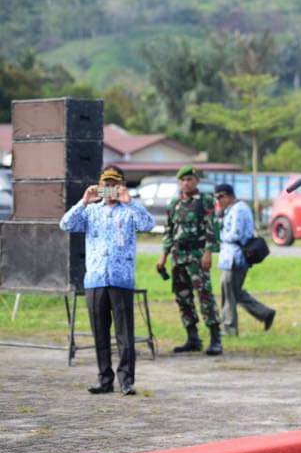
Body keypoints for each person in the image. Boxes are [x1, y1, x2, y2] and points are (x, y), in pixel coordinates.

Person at [59, 166, 154, 396]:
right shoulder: (91, 211)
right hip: (96, 279)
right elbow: (65, 224)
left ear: (121, 185)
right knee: (99, 333)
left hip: (121, 280)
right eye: (106, 184)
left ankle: (126, 380)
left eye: (114, 184)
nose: (110, 189)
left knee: (124, 334)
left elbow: (148, 225)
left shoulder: (129, 211)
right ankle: (104, 379)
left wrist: (130, 201)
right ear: (100, 186)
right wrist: (83, 201)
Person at [156, 166, 222, 356]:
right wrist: (163, 256)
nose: (186, 183)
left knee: (204, 296)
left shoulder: (205, 201)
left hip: (197, 255)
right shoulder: (174, 203)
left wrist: (208, 252)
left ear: (197, 181)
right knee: (182, 296)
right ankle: (192, 338)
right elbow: (169, 231)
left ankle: (215, 339)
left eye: (190, 179)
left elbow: (212, 227)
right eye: (183, 180)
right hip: (178, 256)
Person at [215, 184, 275, 336]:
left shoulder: (239, 210)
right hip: (229, 257)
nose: (218, 201)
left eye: (219, 197)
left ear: (227, 195)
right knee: (235, 293)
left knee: (229, 294)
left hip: (235, 257)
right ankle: (264, 313)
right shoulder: (232, 209)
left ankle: (229, 327)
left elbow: (236, 234)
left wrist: (219, 236)